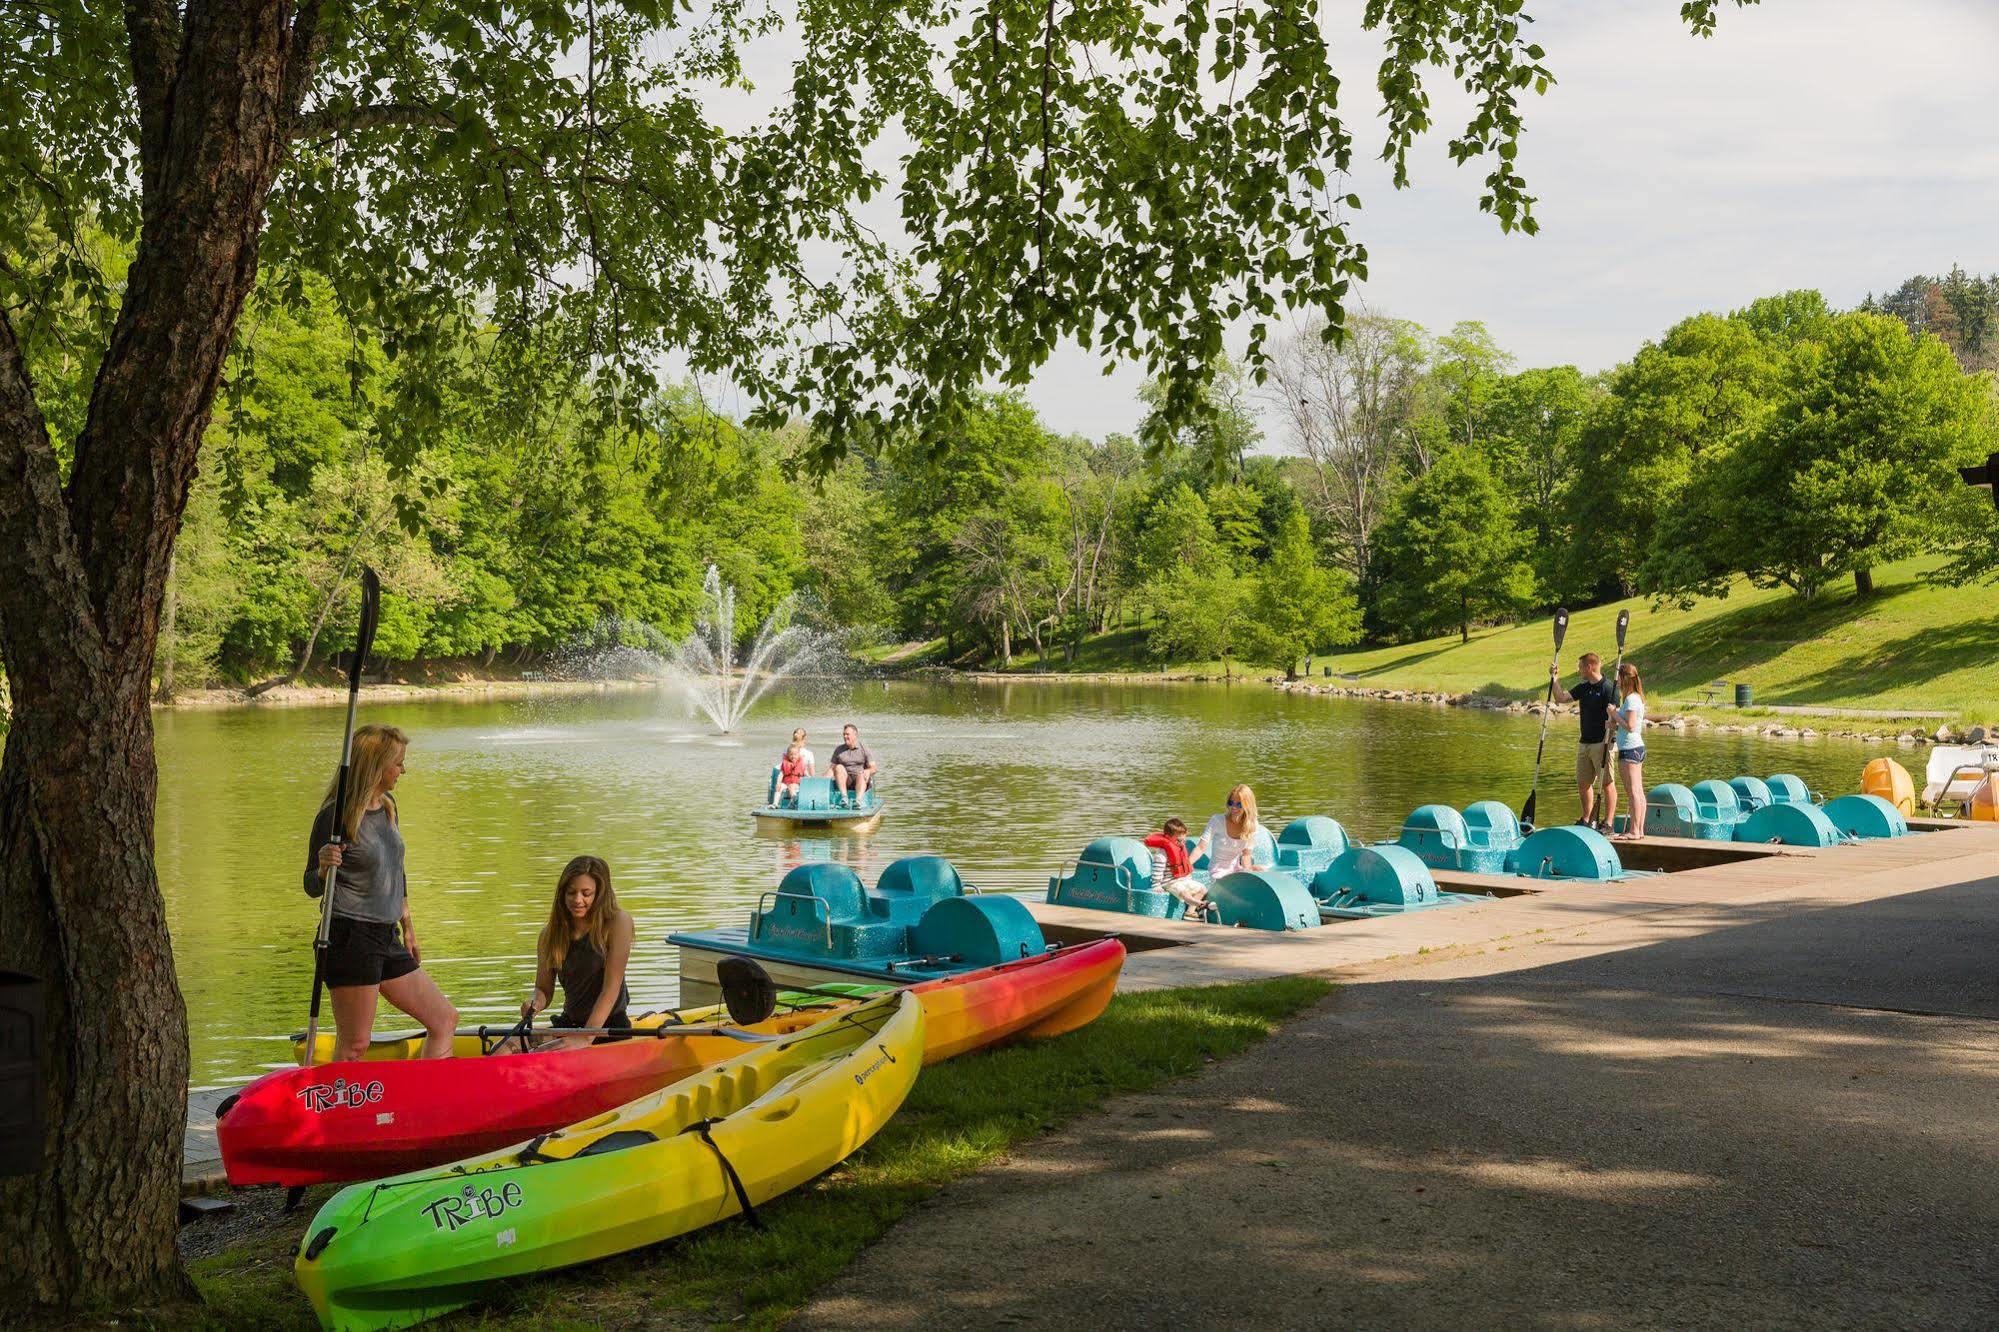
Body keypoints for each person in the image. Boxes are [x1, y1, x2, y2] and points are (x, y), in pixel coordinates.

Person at [305, 723, 459, 1061]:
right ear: (375, 766)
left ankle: (428, 1106)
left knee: (444, 1019)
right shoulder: (335, 817)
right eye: (398, 762)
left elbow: (395, 869)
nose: (403, 769)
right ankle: (335, 1113)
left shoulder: (388, 805)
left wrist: (408, 926)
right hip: (349, 938)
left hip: (385, 936)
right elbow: (311, 887)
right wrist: (322, 867)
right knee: (355, 1045)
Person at [522, 855, 635, 1049]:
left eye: (586, 893)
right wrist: (535, 1002)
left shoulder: (618, 923)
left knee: (540, 1055)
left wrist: (585, 1038)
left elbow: (611, 989)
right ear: (562, 894)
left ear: (599, 893)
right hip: (569, 1025)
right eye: (571, 892)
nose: (577, 900)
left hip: (608, 1028)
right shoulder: (548, 935)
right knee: (502, 1048)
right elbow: (544, 989)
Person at [1550, 651, 1619, 830]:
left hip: (1602, 743)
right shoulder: (1583, 687)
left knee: (1607, 783)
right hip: (1584, 743)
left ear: (1590, 667)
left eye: (1580, 666)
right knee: (1583, 783)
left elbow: (1616, 716)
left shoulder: (1608, 688)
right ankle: (1587, 819)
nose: (1578, 670)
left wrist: (1610, 735)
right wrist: (1554, 678)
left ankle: (1608, 823)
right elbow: (1561, 698)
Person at [1143, 817, 1217, 920]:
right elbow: (1157, 870)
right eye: (1179, 840)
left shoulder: (1180, 848)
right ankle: (1199, 904)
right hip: (1169, 883)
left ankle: (1190, 912)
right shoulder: (1162, 854)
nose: (1182, 843)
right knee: (1184, 892)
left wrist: (1188, 877)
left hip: (1183, 880)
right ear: (1168, 837)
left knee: (1202, 889)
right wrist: (1156, 885)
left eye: (1183, 840)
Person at [1611, 663, 1649, 841]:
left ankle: (1634, 830)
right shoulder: (1636, 698)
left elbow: (1631, 726)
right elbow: (1625, 724)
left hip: (1630, 749)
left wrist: (1614, 714)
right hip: (1635, 748)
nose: (1617, 681)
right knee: (1638, 791)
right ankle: (1639, 830)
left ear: (1625, 678)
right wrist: (1615, 722)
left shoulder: (1632, 699)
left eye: (1619, 677)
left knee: (1633, 791)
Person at [1192, 784, 1263, 878]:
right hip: (1217, 872)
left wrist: (1247, 872)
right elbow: (1201, 847)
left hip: (1236, 870)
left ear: (1248, 806)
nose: (1233, 807)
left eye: (1239, 804)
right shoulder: (1217, 820)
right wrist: (1186, 865)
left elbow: (1246, 855)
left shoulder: (1251, 825)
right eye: (1231, 802)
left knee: (1262, 869)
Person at [828, 723, 877, 807]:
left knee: (861, 773)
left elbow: (874, 768)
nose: (845, 736)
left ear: (855, 735)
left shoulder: (864, 748)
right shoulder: (839, 749)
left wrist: (868, 771)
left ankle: (858, 800)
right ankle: (844, 798)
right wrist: (819, 780)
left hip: (860, 778)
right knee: (838, 767)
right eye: (844, 734)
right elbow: (831, 769)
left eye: (847, 734)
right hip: (845, 780)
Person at [777, 740, 810, 806]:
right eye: (791, 754)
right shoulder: (785, 764)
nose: (793, 756)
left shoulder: (802, 764)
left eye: (795, 754)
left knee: (791, 786)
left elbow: (806, 774)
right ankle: (775, 803)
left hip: (797, 784)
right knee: (779, 787)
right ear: (788, 755)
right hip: (786, 783)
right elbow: (781, 774)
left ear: (798, 755)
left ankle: (794, 799)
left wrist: (809, 779)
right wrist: (778, 783)